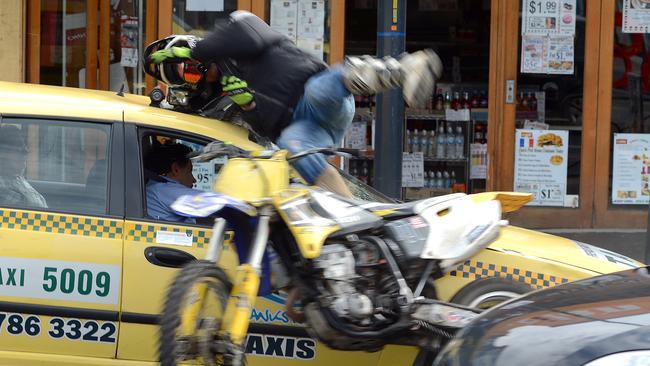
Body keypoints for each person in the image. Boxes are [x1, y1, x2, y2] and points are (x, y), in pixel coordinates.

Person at [147, 11, 442, 197]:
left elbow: (251, 35)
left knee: (318, 89)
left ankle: (406, 67)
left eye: (188, 64)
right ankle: (351, 216)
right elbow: (258, 138)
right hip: (304, 130)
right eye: (185, 76)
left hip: (318, 97)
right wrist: (249, 107)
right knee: (291, 146)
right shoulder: (215, 104)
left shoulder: (237, 32)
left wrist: (200, 48)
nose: (194, 72)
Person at [145, 142, 203, 223]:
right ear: (176, 169)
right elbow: (207, 202)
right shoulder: (164, 190)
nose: (194, 179)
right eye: (189, 171)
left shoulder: (154, 187)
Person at [0, 125, 47, 209]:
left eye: (25, 150)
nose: (25, 153)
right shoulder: (3, 189)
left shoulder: (15, 178)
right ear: (2, 154)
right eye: (19, 149)